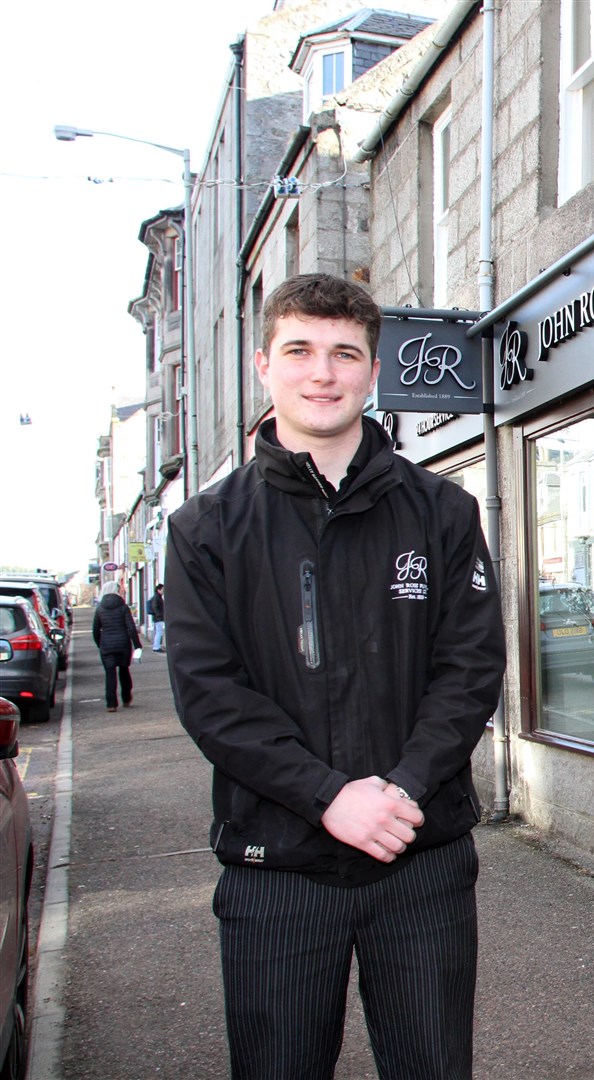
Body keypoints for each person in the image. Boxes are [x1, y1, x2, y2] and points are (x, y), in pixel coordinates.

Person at [165, 273, 506, 1080]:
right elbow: (212, 697)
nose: (323, 372)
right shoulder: (205, 528)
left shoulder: (444, 512)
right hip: (276, 865)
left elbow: (469, 670)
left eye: (345, 353)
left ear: (374, 370)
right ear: (264, 365)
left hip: (417, 854)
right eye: (301, 351)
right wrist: (329, 797)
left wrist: (399, 791)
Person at [90, 587, 140, 712]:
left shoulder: (100, 609)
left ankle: (111, 704)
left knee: (110, 674)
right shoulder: (123, 607)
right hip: (123, 644)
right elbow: (131, 627)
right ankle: (126, 697)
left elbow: (95, 629)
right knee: (124, 670)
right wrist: (137, 645)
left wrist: (99, 643)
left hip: (106, 645)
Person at [146, 583, 165, 652]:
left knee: (158, 632)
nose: (163, 591)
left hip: (158, 618)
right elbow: (155, 607)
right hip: (158, 618)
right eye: (162, 589)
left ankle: (156, 646)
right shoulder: (157, 597)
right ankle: (156, 647)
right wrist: (159, 615)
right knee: (159, 632)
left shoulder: (157, 597)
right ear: (158, 590)